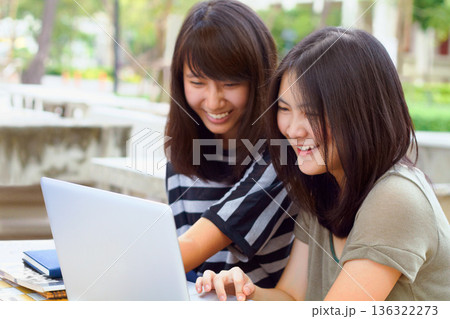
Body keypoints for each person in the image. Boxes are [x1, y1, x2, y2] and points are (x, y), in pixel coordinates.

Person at [194, 27, 450, 301]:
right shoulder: (323, 185)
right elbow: (293, 297)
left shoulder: (395, 198)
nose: (293, 129)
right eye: (284, 109)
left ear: (361, 113)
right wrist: (244, 291)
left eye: (312, 113)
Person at [164, 0, 295, 288]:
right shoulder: (181, 150)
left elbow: (194, 247)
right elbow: (184, 264)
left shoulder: (284, 152)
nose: (213, 101)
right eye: (197, 83)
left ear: (259, 79)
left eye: (229, 84)